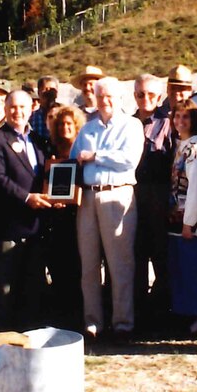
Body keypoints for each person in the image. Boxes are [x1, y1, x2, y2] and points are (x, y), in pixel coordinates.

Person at [71, 76, 144, 343]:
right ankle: (93, 322)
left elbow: (128, 160)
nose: (105, 101)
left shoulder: (131, 125)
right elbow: (73, 158)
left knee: (120, 264)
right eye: (101, 96)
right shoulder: (87, 129)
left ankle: (122, 323)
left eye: (110, 96)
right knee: (89, 264)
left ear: (119, 97)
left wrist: (96, 156)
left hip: (117, 195)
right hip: (88, 198)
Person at [0, 90, 51, 332]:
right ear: (5, 108)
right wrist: (26, 198)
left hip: (35, 226)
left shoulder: (40, 141)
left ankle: (29, 338)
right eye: (12, 107)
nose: (17, 112)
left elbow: (49, 177)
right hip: (7, 226)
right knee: (5, 289)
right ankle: (2, 340)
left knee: (32, 286)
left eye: (22, 107)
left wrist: (57, 196)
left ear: (32, 108)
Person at [167, 99, 197, 335]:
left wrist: (190, 222)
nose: (180, 121)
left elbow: (196, 187)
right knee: (184, 269)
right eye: (177, 116)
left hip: (193, 221)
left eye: (185, 117)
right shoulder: (181, 144)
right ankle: (188, 315)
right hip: (177, 217)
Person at [42, 104, 87, 330]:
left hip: (80, 212)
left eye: (69, 124)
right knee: (58, 263)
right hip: (56, 215)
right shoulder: (50, 150)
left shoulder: (82, 149)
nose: (65, 128)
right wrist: (53, 200)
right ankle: (61, 310)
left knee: (78, 264)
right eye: (61, 124)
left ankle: (78, 312)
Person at [133, 73, 173, 326]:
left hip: (158, 196)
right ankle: (138, 314)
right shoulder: (127, 123)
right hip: (133, 197)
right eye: (140, 94)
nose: (145, 99)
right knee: (135, 255)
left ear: (159, 97)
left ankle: (162, 314)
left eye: (150, 94)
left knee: (161, 256)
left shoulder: (168, 123)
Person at [30, 75, 60, 142]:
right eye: (46, 89)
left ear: (57, 93)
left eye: (52, 89)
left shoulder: (64, 115)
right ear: (39, 92)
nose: (48, 92)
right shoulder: (31, 117)